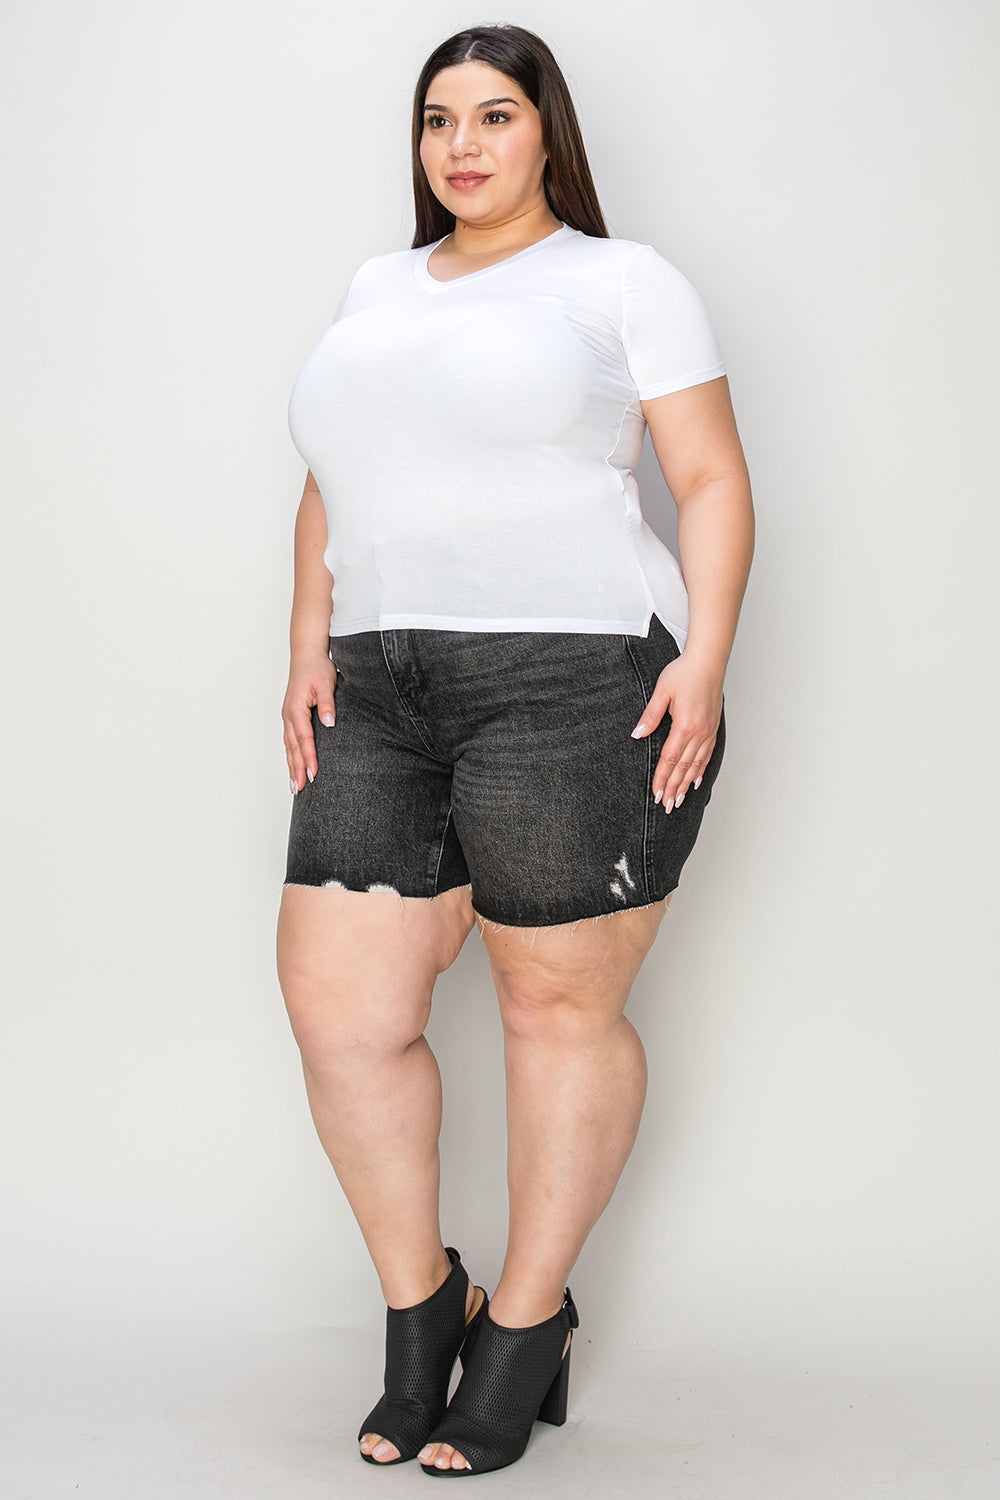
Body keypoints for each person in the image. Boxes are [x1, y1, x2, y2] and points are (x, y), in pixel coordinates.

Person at [275, 21, 754, 1479]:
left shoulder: (623, 281)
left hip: (577, 676)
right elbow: (332, 479)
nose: (462, 144)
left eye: (494, 114)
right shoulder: (376, 289)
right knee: (341, 1012)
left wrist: (706, 661)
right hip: (381, 683)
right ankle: (427, 1305)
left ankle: (527, 1326)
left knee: (555, 1012)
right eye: (438, 119)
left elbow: (708, 477)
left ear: (547, 129)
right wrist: (308, 640)